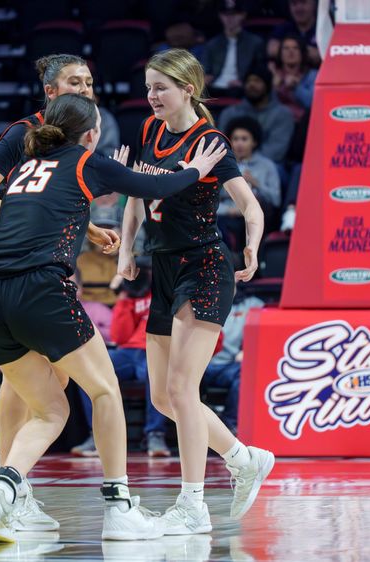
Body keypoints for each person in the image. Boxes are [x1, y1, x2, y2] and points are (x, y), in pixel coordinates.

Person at [0, 92, 228, 542]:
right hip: (38, 289)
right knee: (105, 392)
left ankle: (1, 492)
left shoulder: (26, 167)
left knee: (50, 409)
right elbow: (155, 189)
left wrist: (87, 229)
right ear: (92, 133)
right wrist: (197, 171)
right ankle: (120, 507)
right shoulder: (86, 160)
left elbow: (31, 214)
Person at [0, 53, 121, 533]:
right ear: (51, 92)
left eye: (91, 82)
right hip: (1, 256)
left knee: (51, 383)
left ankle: (8, 478)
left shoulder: (76, 142)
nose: (86, 89)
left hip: (31, 264)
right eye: (75, 82)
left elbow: (51, 200)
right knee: (30, 383)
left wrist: (86, 227)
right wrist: (30, 222)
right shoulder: (23, 132)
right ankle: (12, 482)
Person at [119, 48, 274, 537]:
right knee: (165, 398)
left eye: (161, 87)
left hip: (204, 268)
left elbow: (250, 206)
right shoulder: (149, 131)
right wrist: (127, 247)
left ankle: (193, 503)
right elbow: (134, 192)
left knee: (184, 390)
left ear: (188, 88)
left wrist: (250, 248)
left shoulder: (210, 142)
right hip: (162, 267)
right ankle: (243, 457)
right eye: (147, 87)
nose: (152, 96)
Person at [71, 264, 172, 458]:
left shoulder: (166, 293)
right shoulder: (129, 296)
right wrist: (124, 297)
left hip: (155, 349)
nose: (141, 278)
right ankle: (97, 436)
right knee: (88, 371)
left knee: (157, 372)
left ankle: (155, 435)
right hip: (128, 352)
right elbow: (119, 336)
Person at [203, 293, 265, 434]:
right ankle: (195, 427)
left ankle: (230, 425)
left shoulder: (252, 304)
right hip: (201, 363)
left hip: (229, 365)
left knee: (246, 373)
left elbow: (263, 331)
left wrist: (247, 350)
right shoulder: (201, 299)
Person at [220, 116, 281, 250]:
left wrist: (256, 183)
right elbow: (212, 199)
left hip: (257, 215)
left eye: (244, 139)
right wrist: (229, 210)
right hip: (227, 216)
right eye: (235, 139)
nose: (239, 144)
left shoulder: (266, 165)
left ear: (254, 142)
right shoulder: (223, 164)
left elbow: (276, 200)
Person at [218, 65, 295, 164]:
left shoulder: (283, 114)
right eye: (248, 81)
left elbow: (276, 151)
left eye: (257, 81)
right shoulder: (230, 113)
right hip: (233, 163)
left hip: (269, 165)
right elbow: (222, 145)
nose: (252, 85)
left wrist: (249, 162)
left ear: (267, 85)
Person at [201, 0, 265, 98]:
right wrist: (205, 78)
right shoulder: (212, 44)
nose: (229, 19)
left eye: (234, 14)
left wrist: (244, 82)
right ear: (220, 16)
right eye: (226, 15)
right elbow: (205, 69)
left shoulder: (255, 43)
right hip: (214, 88)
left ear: (243, 15)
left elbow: (259, 71)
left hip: (241, 89)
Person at [270, 34, 317, 122]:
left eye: (296, 48)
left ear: (302, 53)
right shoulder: (273, 74)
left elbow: (311, 103)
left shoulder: (312, 75)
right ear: (280, 53)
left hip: (304, 122)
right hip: (278, 121)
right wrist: (274, 88)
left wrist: (296, 88)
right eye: (286, 48)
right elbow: (265, 106)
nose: (290, 52)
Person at [268, 0, 320, 68]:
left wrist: (287, 50)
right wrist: (306, 51)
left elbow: (322, 56)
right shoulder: (283, 28)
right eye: (294, 3)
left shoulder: (324, 29)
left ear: (314, 5)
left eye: (303, 3)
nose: (299, 8)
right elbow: (272, 50)